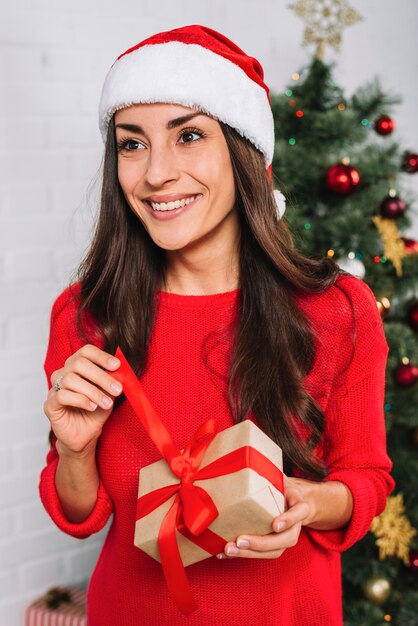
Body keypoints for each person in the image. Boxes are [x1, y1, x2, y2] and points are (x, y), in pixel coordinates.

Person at [40, 24, 394, 626]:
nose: (156, 174)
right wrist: (74, 450)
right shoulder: (85, 314)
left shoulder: (339, 310)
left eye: (189, 136)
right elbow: (80, 515)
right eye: (132, 144)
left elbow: (367, 480)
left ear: (243, 151)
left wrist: (307, 503)